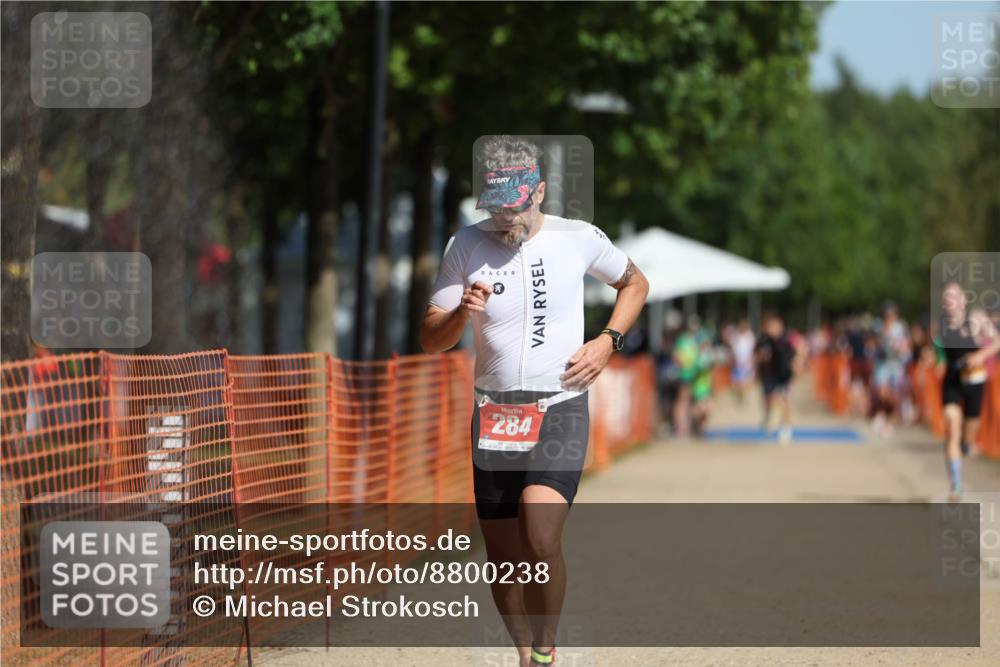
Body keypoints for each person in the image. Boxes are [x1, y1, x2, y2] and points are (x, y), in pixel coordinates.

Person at [420, 135, 648, 667]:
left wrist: (608, 341)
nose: (507, 219)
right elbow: (432, 339)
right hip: (494, 412)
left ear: (540, 191)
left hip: (558, 405)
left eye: (516, 206)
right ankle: (525, 656)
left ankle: (546, 651)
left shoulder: (579, 237)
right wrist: (460, 314)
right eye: (497, 208)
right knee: (502, 559)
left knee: (540, 537)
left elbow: (635, 285)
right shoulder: (465, 245)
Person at [934, 281, 1000, 500]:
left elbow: (997, 342)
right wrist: (937, 359)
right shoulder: (940, 325)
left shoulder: (976, 319)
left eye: (954, 296)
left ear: (964, 299)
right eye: (946, 298)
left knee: (969, 432)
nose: (950, 301)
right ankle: (956, 484)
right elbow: (937, 349)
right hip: (953, 380)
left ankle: (967, 443)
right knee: (952, 425)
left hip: (975, 380)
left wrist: (981, 355)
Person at [870, 303, 912, 438]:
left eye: (892, 314)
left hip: (896, 365)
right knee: (882, 392)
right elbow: (874, 342)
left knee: (895, 396)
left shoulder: (901, 327)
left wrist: (901, 349)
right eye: (887, 315)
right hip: (883, 364)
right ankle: (882, 414)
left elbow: (906, 345)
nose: (889, 317)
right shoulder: (879, 326)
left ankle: (889, 423)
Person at [755, 313, 797, 444]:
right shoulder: (763, 341)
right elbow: (757, 356)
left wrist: (796, 365)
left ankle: (786, 429)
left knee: (784, 401)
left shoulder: (786, 340)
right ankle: (769, 417)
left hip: (784, 375)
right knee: (769, 400)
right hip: (769, 375)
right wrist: (762, 359)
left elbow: (796, 353)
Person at [728, 319, 756, 403]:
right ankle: (740, 394)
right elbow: (732, 349)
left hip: (746, 362)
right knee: (737, 382)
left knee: (744, 381)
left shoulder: (750, 336)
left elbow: (753, 349)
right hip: (738, 362)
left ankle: (743, 395)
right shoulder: (736, 336)